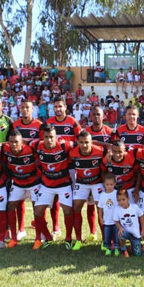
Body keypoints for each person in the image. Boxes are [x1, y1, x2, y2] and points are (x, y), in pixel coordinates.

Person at [45, 96, 82, 239]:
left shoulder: (72, 122)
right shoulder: (49, 122)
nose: (58, 109)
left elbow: (81, 140)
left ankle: (71, 232)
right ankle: (55, 228)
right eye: (55, 107)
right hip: (53, 166)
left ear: (65, 107)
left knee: (70, 200)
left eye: (60, 106)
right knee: (53, 197)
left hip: (70, 166)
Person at [33, 125, 74, 250]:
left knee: (67, 210)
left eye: (52, 137)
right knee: (37, 212)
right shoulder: (36, 145)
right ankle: (48, 237)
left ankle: (68, 238)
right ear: (42, 138)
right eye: (46, 137)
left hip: (64, 184)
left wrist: (108, 146)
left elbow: (85, 142)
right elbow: (22, 141)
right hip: (47, 185)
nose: (49, 140)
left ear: (56, 137)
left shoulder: (64, 145)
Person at [2, 130, 40, 248]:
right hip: (18, 183)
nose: (14, 144)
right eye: (11, 142)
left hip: (33, 183)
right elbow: (0, 146)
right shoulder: (5, 149)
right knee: (10, 206)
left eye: (16, 142)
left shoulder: (31, 149)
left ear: (22, 142)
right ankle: (14, 238)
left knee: (37, 209)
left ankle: (38, 237)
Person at [12, 99, 43, 239]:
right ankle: (21, 229)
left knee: (38, 202)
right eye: (23, 107)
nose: (25, 110)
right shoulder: (15, 125)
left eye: (28, 107)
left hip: (34, 167)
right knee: (19, 199)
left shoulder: (39, 125)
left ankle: (42, 229)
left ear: (32, 110)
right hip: (19, 167)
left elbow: (43, 144)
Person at [70, 130, 106, 248]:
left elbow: (112, 149)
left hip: (97, 183)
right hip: (81, 183)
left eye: (87, 142)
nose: (84, 145)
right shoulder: (72, 153)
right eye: (81, 142)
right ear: (77, 142)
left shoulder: (100, 151)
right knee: (76, 208)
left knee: (101, 209)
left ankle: (105, 240)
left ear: (91, 142)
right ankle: (78, 240)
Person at [114, 189, 144, 257]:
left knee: (137, 254)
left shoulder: (134, 207)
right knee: (120, 234)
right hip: (125, 231)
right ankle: (123, 250)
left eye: (123, 199)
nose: (121, 202)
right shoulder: (117, 209)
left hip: (135, 234)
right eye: (119, 200)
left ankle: (132, 246)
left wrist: (143, 230)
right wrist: (120, 228)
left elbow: (142, 216)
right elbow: (116, 222)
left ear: (128, 198)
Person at [97, 174, 119, 256]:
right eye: (107, 185)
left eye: (111, 184)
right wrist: (100, 218)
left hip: (116, 221)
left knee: (117, 236)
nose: (109, 186)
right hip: (107, 221)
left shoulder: (117, 193)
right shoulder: (102, 195)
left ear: (115, 184)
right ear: (104, 184)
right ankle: (108, 249)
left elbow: (120, 206)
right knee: (107, 236)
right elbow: (100, 208)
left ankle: (117, 249)